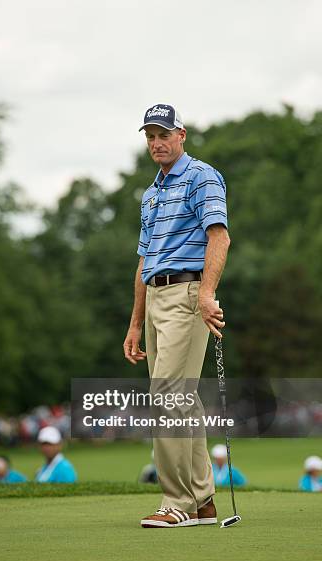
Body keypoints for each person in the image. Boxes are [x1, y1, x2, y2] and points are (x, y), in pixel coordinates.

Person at [124, 104, 230, 528]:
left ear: (181, 135)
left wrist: (206, 292)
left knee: (167, 398)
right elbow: (143, 261)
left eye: (163, 134)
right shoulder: (150, 194)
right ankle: (202, 501)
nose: (156, 142)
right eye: (150, 136)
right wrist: (135, 322)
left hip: (187, 294)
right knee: (182, 401)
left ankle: (177, 503)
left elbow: (218, 236)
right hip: (154, 297)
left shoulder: (202, 176)